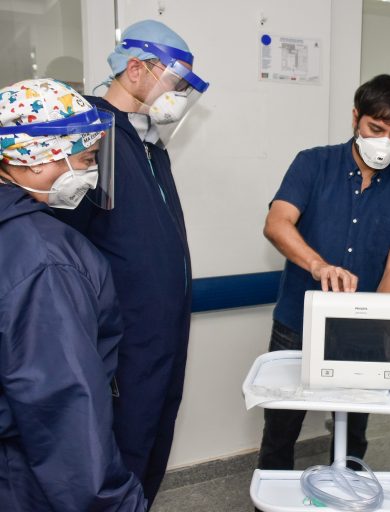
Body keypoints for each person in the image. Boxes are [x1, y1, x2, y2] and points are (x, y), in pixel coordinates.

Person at [54, 20, 209, 505]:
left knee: (155, 440)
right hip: (126, 341)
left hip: (165, 334)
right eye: (175, 80)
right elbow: (68, 243)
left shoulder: (148, 145)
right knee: (123, 450)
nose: (179, 94)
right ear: (136, 69)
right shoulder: (94, 139)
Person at [259, 74, 390, 471]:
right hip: (297, 322)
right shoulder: (313, 163)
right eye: (376, 129)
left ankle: (347, 492)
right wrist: (317, 264)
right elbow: (277, 223)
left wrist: (376, 329)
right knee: (281, 426)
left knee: (353, 432)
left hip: (361, 334)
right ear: (356, 118)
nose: (385, 142)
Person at [0, 78, 146, 510]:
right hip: (25, 474)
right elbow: (63, 406)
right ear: (36, 158)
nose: (90, 173)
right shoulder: (45, 259)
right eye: (85, 159)